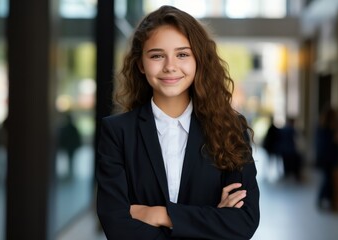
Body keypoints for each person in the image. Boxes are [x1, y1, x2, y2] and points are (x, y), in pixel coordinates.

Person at [96, 5, 259, 239]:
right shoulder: (118, 132)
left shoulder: (231, 129)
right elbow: (116, 224)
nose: (170, 66)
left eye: (182, 54)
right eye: (157, 55)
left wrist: (161, 215)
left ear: (198, 60)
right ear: (141, 64)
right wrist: (211, 220)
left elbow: (244, 221)